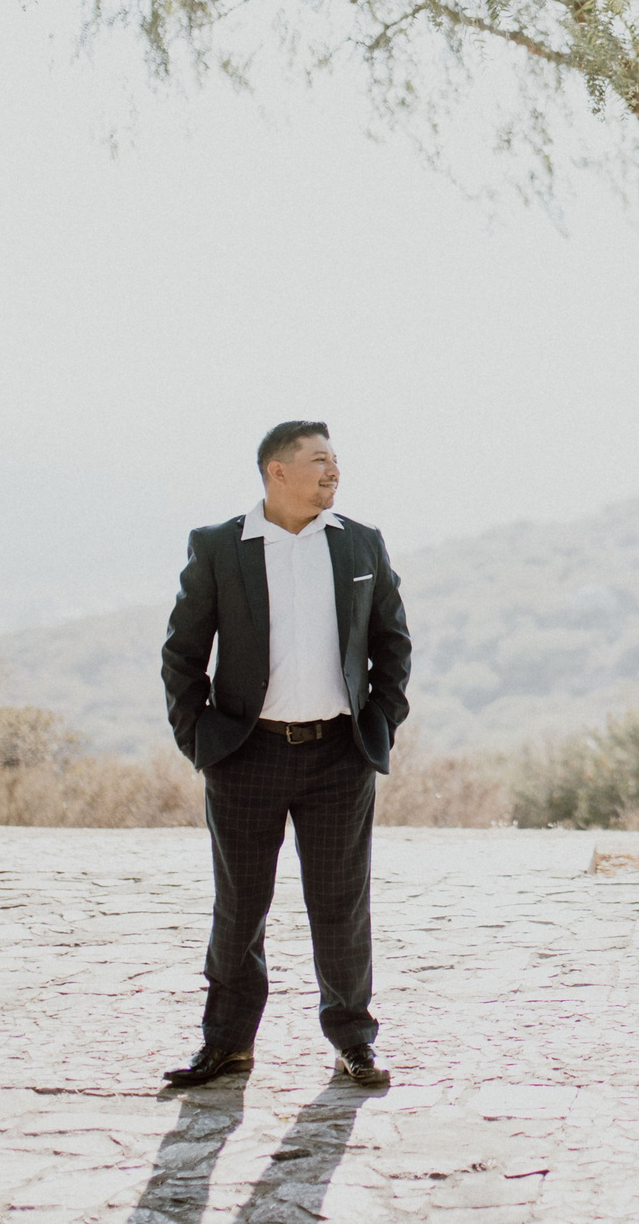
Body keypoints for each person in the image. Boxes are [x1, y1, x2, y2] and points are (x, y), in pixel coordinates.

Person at [156, 421, 413, 1088]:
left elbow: (392, 643)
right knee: (239, 908)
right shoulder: (219, 547)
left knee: (341, 905)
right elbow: (183, 654)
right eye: (319, 460)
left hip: (339, 757)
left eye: (335, 460)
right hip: (245, 755)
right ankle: (226, 1045)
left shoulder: (360, 542)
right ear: (277, 471)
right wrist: (203, 742)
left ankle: (353, 1040)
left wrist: (380, 723)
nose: (334, 471)